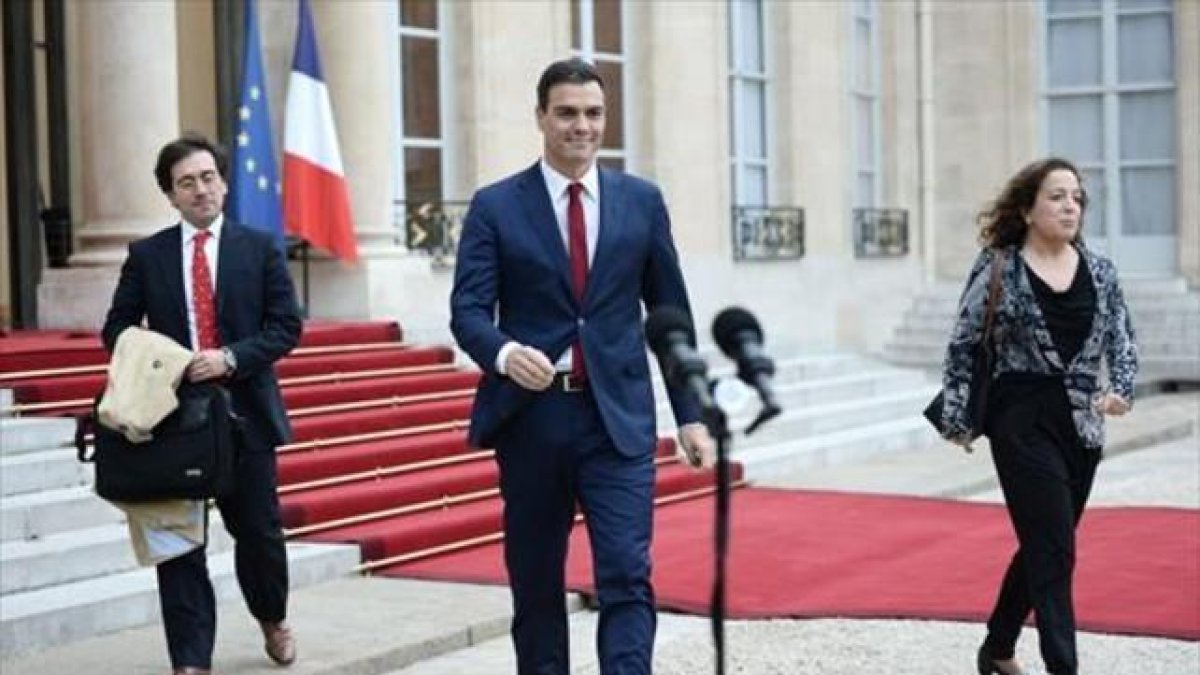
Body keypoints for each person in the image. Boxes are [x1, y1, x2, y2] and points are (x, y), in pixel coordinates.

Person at [449, 58, 716, 675]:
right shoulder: (495, 206)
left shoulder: (642, 202)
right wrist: (506, 354)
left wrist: (691, 415)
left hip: (615, 419)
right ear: (541, 117)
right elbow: (467, 310)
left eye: (593, 113)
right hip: (531, 420)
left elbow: (670, 312)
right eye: (566, 113)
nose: (581, 126)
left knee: (627, 572)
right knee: (537, 583)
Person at [102, 133, 303, 675]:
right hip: (172, 424)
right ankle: (191, 661)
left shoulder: (258, 247)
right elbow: (117, 330)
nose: (200, 190)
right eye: (186, 182)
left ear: (224, 182)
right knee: (179, 547)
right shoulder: (147, 256)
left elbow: (287, 327)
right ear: (170, 195)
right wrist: (167, 362)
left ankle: (272, 617)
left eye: (208, 177)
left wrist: (232, 359)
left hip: (246, 418)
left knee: (258, 534)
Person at [938, 157, 1138, 675]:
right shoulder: (999, 264)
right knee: (1055, 548)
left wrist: (1121, 388)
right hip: (1020, 422)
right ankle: (1063, 665)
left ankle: (998, 648)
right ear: (1027, 209)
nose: (1070, 205)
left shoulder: (1100, 270)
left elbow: (1121, 338)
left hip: (1082, 424)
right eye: (1057, 196)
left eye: (1076, 197)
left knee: (1046, 543)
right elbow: (963, 342)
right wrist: (958, 417)